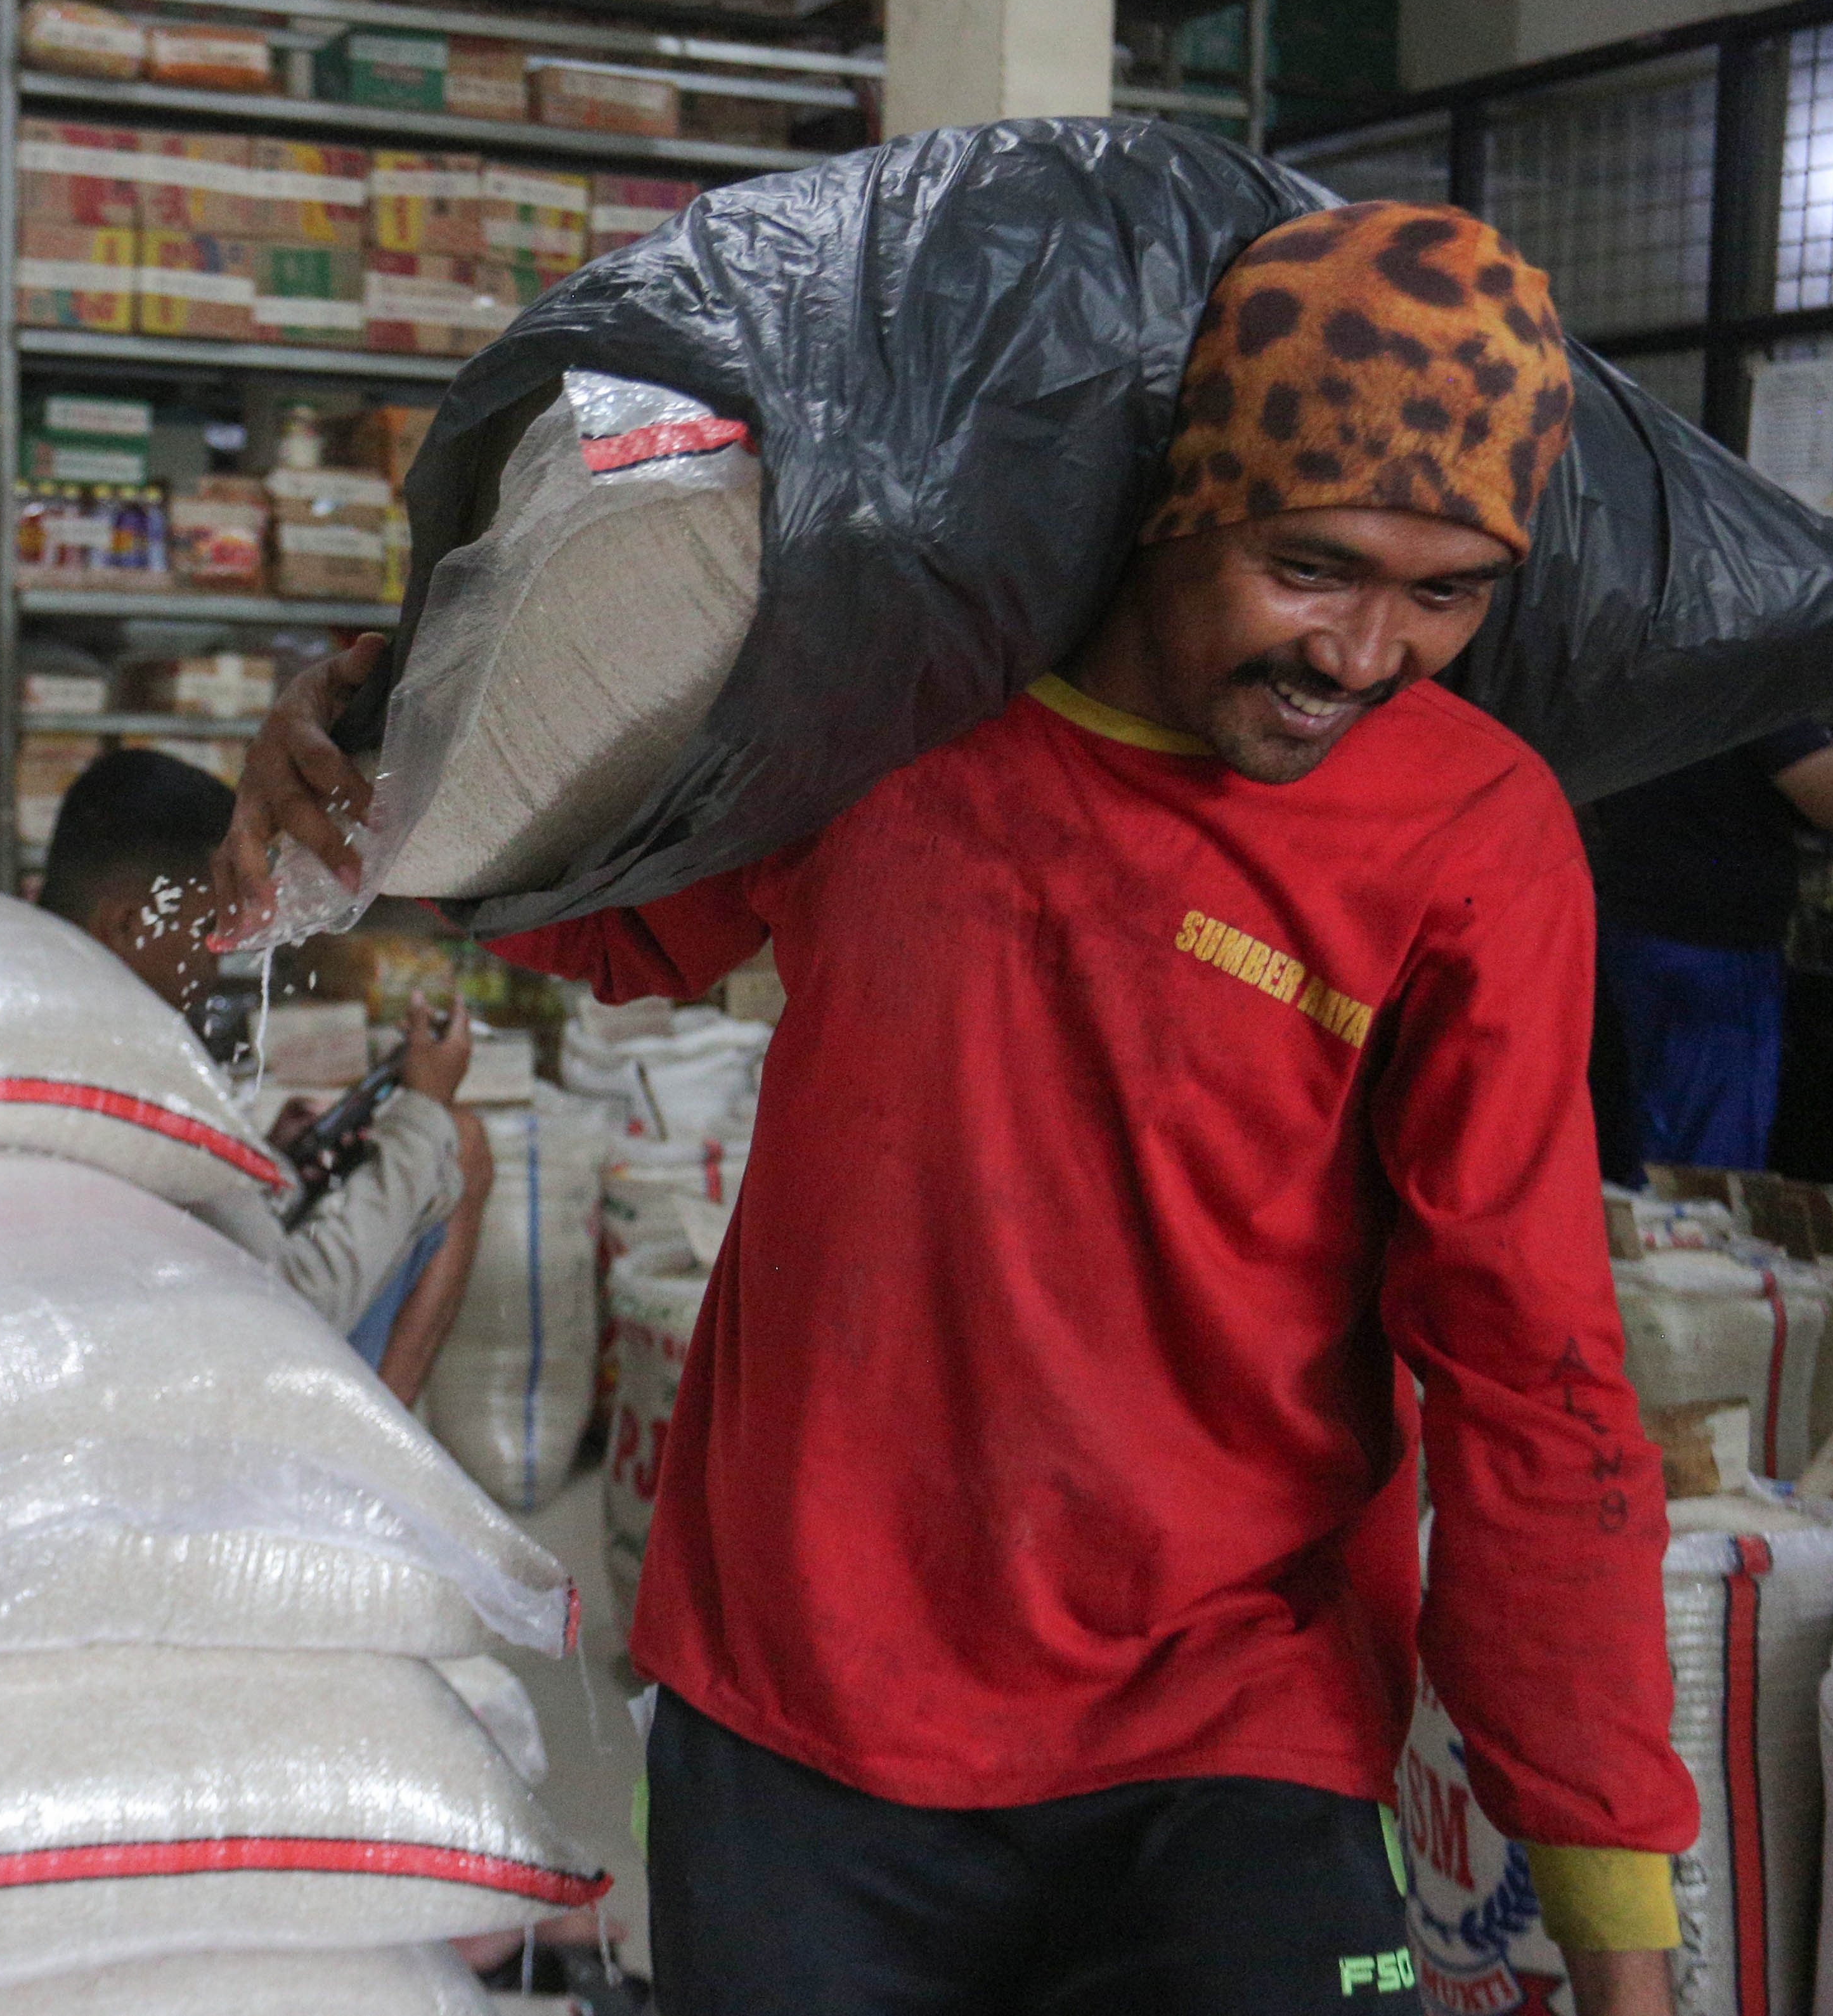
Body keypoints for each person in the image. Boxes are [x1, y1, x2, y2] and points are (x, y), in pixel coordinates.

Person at [213, 205, 1694, 2015]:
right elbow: (611, 913)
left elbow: (1528, 1357)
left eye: (1447, 592)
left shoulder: (1471, 836)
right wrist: (377, 764)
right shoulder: (898, 712)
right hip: (811, 1695)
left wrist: (1617, 1900)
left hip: (1239, 1707)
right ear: (1183, 500)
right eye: (1314, 567)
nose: (1366, 654)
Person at [38, 748, 490, 1400]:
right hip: (201, 1381)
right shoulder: (150, 1068)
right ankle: (363, 1471)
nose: (217, 953)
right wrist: (423, 1107)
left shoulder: (46, 1011)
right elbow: (301, 1301)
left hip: (123, 1340)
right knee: (461, 1144)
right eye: (205, 926)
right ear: (131, 923)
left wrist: (264, 1165)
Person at [1586, 722, 1833, 1171]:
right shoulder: (1752, 687)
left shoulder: (1640, 685)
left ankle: (1653, 1226)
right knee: (1717, 1128)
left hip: (1633, 925)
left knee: (1647, 1111)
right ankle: (1696, 1229)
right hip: (1718, 943)